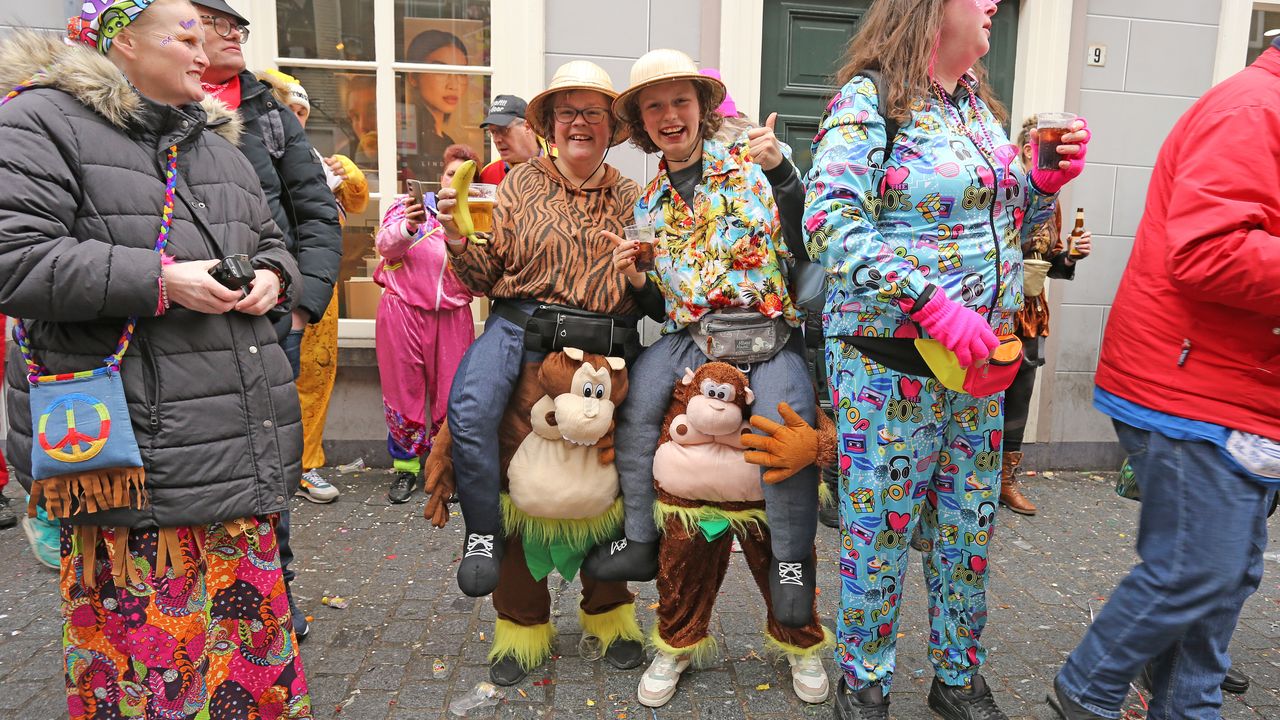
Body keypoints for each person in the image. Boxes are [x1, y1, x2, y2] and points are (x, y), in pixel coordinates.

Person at [0, 3, 309, 718]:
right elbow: (13, 260)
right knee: (149, 676)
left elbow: (271, 241)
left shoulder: (214, 145)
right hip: (133, 472)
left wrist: (274, 276)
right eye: (185, 35)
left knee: (244, 670)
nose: (206, 52)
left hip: (234, 459)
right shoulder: (37, 123)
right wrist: (162, 279)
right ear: (122, 42)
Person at [803, 1, 1089, 718]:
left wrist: (1040, 189)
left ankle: (958, 680)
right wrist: (931, 302)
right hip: (890, 364)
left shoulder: (976, 109)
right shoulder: (868, 101)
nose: (994, 3)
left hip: (978, 366)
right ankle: (865, 686)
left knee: (966, 532)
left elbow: (1004, 224)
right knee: (879, 536)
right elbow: (828, 223)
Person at [585, 48, 826, 706]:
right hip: (694, 343)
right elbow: (662, 307)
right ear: (640, 121)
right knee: (638, 418)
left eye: (680, 102)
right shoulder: (648, 203)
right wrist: (637, 275)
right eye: (654, 106)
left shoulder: (754, 161)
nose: (669, 116)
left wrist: (784, 172)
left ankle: (797, 615)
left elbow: (811, 244)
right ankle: (649, 568)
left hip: (770, 339)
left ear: (702, 107)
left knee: (787, 450)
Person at [1049, 32, 1279, 720]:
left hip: (1242, 394)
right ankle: (1087, 689)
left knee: (1223, 577)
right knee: (1196, 570)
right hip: (1194, 389)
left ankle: (1188, 707)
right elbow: (1210, 252)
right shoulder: (1254, 108)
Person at [428, 60, 658, 686]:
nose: (580, 123)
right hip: (527, 355)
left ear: (612, 127)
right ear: (550, 125)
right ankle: (520, 624)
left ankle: (609, 615)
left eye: (593, 113)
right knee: (514, 485)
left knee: (603, 488)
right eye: (567, 113)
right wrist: (454, 238)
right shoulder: (518, 185)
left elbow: (651, 298)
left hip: (607, 364)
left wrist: (641, 275)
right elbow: (482, 276)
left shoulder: (636, 196)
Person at [195, 0, 341, 645]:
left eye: (237, 24)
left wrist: (301, 301)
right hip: (175, 325)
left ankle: (270, 595)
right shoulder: (139, 110)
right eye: (214, 19)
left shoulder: (269, 112)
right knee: (194, 463)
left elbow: (315, 213)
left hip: (266, 320)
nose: (232, 33)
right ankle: (190, 598)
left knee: (265, 463)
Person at [262, 69, 372, 504]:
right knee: (272, 383)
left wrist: (348, 171)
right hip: (271, 290)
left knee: (316, 377)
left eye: (303, 111)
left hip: (318, 294)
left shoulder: (314, 159)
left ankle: (306, 464)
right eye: (289, 108)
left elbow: (357, 201)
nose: (296, 118)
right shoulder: (249, 153)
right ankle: (272, 469)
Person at [998, 115, 1092, 516]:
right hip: (993, 307)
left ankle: (1005, 481)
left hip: (1030, 313)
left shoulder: (1050, 204)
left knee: (1020, 397)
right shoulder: (1001, 191)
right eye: (1044, 152)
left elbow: (1050, 261)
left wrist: (1070, 254)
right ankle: (961, 482)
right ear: (1025, 151)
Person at [375, 144, 478, 505]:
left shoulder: (476, 217)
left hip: (452, 315)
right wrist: (408, 226)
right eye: (451, 174)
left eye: (464, 176)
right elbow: (385, 247)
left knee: (453, 394)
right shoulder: (409, 209)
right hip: (401, 310)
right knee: (403, 389)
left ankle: (443, 469)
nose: (454, 181)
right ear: (441, 177)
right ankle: (405, 468)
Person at [402, 29, 468, 183]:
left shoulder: (448, 143)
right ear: (413, 76)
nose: (453, 84)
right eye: (441, 70)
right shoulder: (409, 137)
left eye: (462, 72)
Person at [478, 94, 554, 185]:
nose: (496, 140)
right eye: (492, 132)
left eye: (503, 130)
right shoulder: (488, 174)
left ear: (528, 126)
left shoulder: (561, 162)